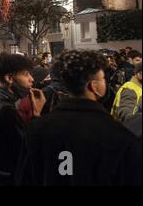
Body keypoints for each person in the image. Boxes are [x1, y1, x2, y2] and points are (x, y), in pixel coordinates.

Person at [16, 50, 142, 186]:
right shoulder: (118, 136)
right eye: (103, 79)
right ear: (94, 86)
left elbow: (25, 178)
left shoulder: (37, 129)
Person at [0, 54, 46, 186]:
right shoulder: (7, 110)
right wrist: (36, 115)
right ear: (9, 78)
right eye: (26, 74)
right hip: (8, 178)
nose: (31, 79)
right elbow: (27, 148)